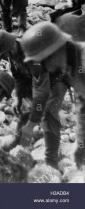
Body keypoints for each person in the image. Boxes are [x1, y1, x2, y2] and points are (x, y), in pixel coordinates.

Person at [20, 21, 85, 169]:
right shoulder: (71, 66)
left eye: (42, 61)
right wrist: (81, 144)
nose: (42, 67)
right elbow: (83, 104)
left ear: (54, 51)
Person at [0, 30, 51, 152]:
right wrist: (18, 97)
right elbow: (17, 76)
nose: (3, 58)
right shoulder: (12, 52)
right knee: (21, 102)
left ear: (10, 46)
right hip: (33, 78)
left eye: (3, 54)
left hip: (51, 78)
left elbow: (41, 84)